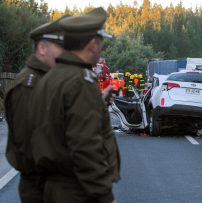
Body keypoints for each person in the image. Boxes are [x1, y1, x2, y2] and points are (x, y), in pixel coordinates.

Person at [30, 7, 120, 203]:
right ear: (93, 44)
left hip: (53, 186)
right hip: (77, 191)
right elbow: (85, 146)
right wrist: (104, 195)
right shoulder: (81, 81)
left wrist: (98, 103)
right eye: (101, 43)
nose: (101, 48)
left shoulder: (50, 77)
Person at [5, 16, 68, 203]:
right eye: (62, 47)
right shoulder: (29, 85)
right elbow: (28, 148)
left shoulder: (48, 79)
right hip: (41, 187)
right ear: (42, 48)